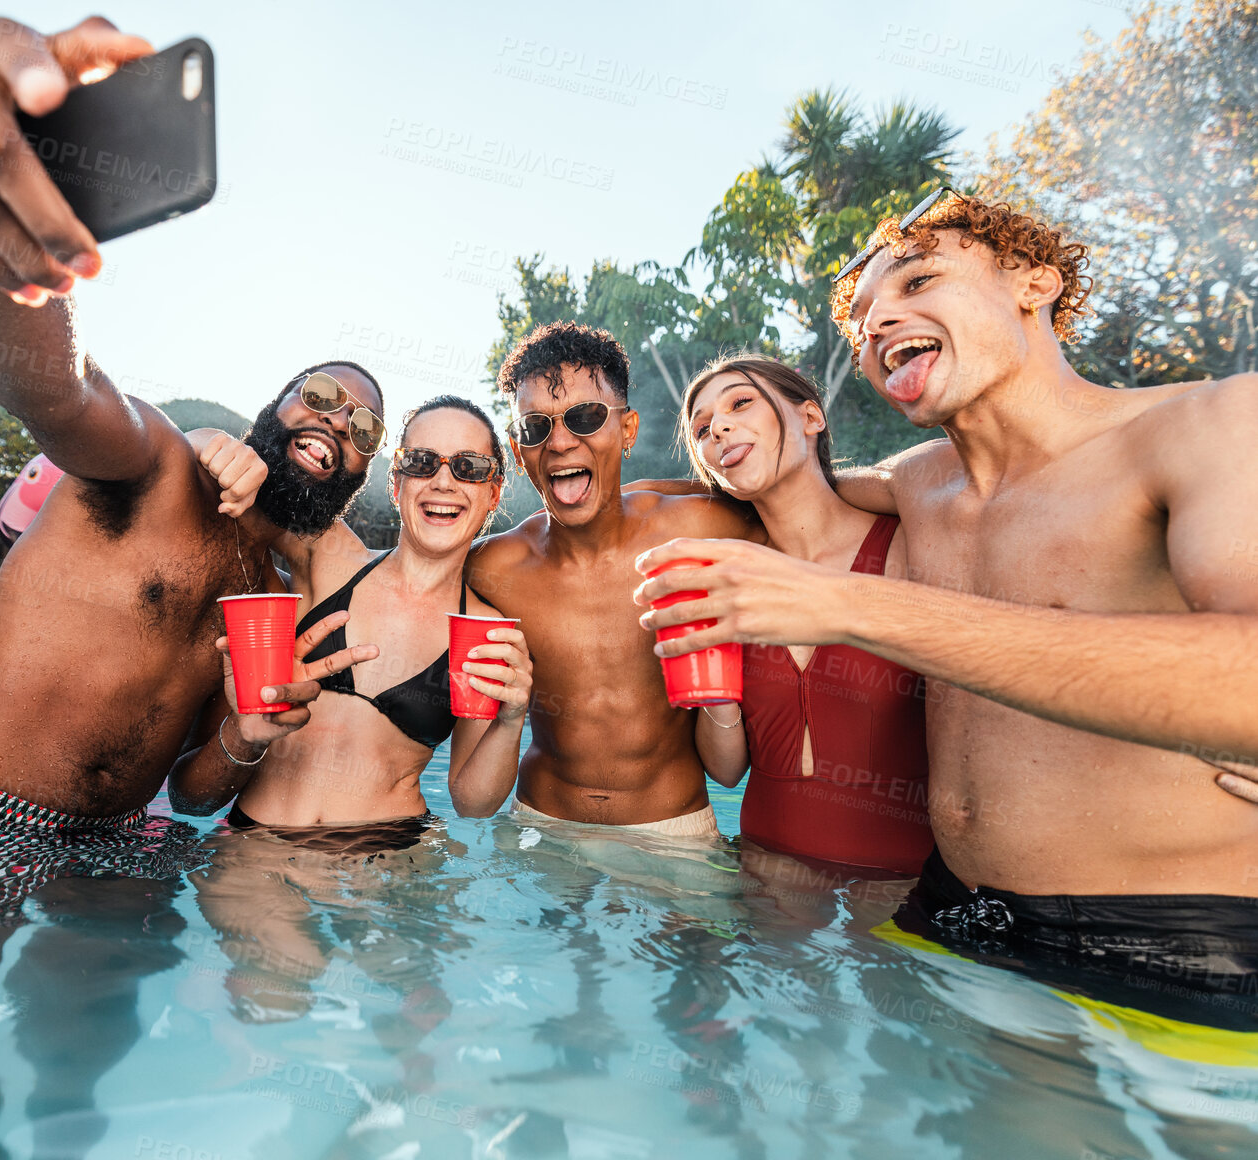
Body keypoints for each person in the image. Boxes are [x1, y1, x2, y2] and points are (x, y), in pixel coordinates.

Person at [636, 189, 1258, 1004]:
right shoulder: (918, 482)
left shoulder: (1204, 423)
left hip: (1170, 935)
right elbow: (790, 488)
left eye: (917, 282)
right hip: (950, 913)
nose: (878, 322)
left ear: (1033, 282)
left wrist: (846, 603)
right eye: (860, 318)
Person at [0, 15, 379, 913]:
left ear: (356, 479)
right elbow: (52, 387)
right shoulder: (156, 463)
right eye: (318, 395)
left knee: (93, 1044)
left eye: (362, 424)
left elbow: (195, 792)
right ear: (271, 411)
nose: (336, 420)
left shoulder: (273, 590)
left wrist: (250, 731)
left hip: (121, 840)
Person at [170, 394, 534, 842]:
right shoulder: (328, 555)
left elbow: (472, 803)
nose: (443, 482)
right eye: (421, 462)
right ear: (395, 483)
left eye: (469, 468)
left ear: (492, 491)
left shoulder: (485, 633)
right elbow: (221, 486)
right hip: (260, 843)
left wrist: (511, 720)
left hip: (390, 854)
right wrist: (204, 437)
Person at [636, 354, 933, 878]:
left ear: (811, 417)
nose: (719, 428)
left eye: (740, 403)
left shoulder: (908, 544)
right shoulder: (725, 578)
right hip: (766, 877)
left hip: (902, 885)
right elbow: (727, 772)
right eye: (702, 429)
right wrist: (714, 689)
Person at [457, 321, 757, 839]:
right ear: (518, 447)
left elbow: (806, 505)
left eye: (586, 418)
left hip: (673, 833)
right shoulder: (492, 567)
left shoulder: (702, 528)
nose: (560, 442)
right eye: (535, 427)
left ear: (628, 430)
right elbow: (398, 578)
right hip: (540, 832)